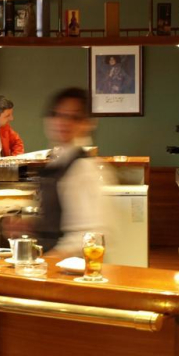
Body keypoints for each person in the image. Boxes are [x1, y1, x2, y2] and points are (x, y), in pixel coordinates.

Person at [33, 87, 106, 253]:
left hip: (68, 265)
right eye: (56, 114)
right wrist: (30, 226)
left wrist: (50, 260)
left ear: (87, 124)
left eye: (74, 117)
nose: (62, 122)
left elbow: (89, 236)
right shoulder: (60, 158)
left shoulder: (84, 169)